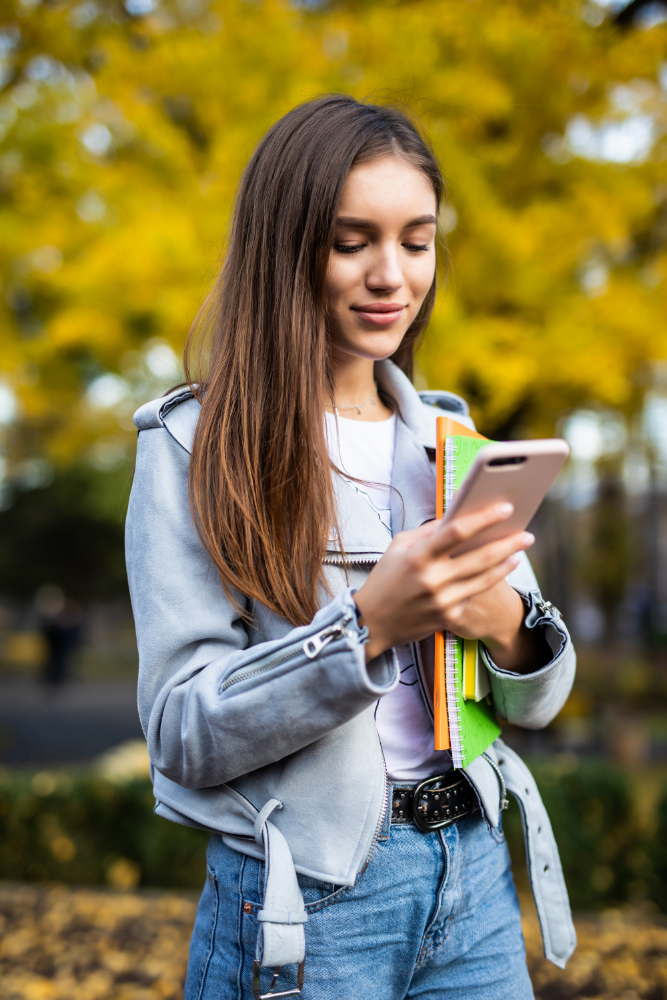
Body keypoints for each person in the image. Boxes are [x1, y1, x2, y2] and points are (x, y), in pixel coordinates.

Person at [126, 96, 577, 1000]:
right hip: (308, 906)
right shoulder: (192, 446)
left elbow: (538, 702)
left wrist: (503, 623)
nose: (391, 276)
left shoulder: (449, 442)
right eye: (350, 242)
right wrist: (368, 627)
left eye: (416, 241)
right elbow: (181, 731)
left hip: (476, 880)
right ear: (286, 247)